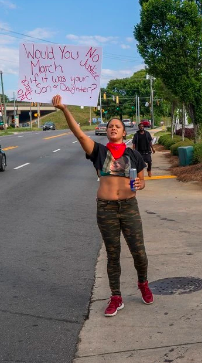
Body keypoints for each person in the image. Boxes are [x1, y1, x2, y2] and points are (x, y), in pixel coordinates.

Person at [52, 94, 154, 317]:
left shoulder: (134, 155)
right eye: (110, 126)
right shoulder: (99, 152)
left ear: (124, 132)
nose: (114, 128)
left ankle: (143, 283)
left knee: (139, 253)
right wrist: (64, 110)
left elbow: (143, 181)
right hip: (106, 208)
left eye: (117, 126)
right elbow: (78, 134)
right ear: (107, 132)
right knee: (112, 253)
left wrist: (141, 183)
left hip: (129, 207)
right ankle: (116, 297)